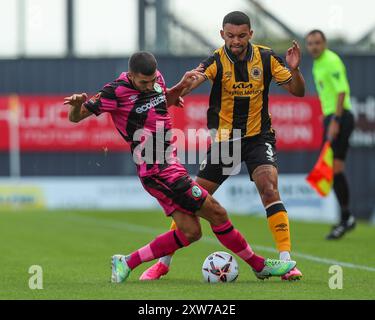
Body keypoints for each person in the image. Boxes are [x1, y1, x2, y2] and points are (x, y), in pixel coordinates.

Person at [64, 51, 296, 283]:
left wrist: (177, 90)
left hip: (169, 163)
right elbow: (76, 117)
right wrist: (75, 106)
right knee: (217, 212)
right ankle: (259, 265)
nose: (150, 85)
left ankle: (126, 262)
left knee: (191, 232)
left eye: (153, 80)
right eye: (144, 82)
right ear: (131, 77)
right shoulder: (114, 92)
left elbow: (162, 98)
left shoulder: (156, 81)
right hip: (156, 168)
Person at [141, 11, 305, 281]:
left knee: (269, 187)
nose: (236, 41)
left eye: (241, 36)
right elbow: (195, 79)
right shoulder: (216, 60)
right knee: (191, 199)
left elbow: (298, 91)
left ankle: (287, 262)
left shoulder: (266, 58)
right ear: (222, 35)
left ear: (250, 34)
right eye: (230, 36)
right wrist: (179, 89)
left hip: (258, 137)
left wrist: (295, 69)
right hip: (226, 140)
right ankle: (163, 263)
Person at [306, 30, 356, 240]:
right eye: (310, 43)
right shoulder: (318, 64)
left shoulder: (331, 60)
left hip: (341, 117)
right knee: (333, 170)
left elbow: (342, 91)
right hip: (332, 116)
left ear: (325, 43)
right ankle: (346, 217)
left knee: (334, 170)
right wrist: (328, 117)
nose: (314, 47)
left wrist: (335, 120)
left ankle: (346, 219)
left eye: (317, 43)